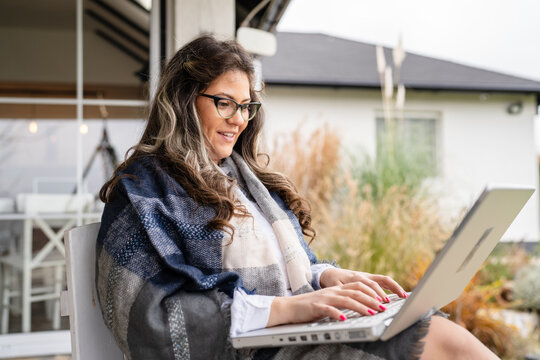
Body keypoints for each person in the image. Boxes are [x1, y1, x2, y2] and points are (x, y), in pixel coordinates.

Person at [96, 35, 499, 360]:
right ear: (184, 101)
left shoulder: (243, 179)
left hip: (288, 336)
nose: (239, 120)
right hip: (252, 349)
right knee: (440, 343)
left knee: (433, 330)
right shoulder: (144, 191)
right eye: (224, 103)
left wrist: (324, 276)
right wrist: (293, 308)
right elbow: (156, 321)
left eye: (246, 106)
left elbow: (283, 267)